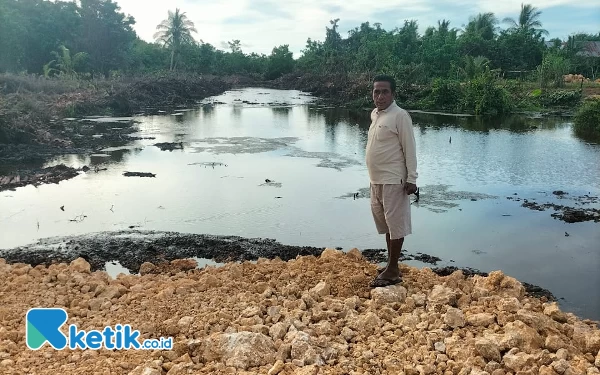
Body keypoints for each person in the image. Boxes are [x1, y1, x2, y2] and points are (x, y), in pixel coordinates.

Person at [365, 74, 418, 287]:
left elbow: (410, 149)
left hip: (394, 180)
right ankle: (390, 264)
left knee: (396, 225)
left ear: (393, 94)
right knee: (386, 224)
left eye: (385, 91)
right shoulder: (375, 115)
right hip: (375, 180)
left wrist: (412, 178)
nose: (380, 96)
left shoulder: (400, 116)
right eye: (376, 91)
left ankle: (393, 268)